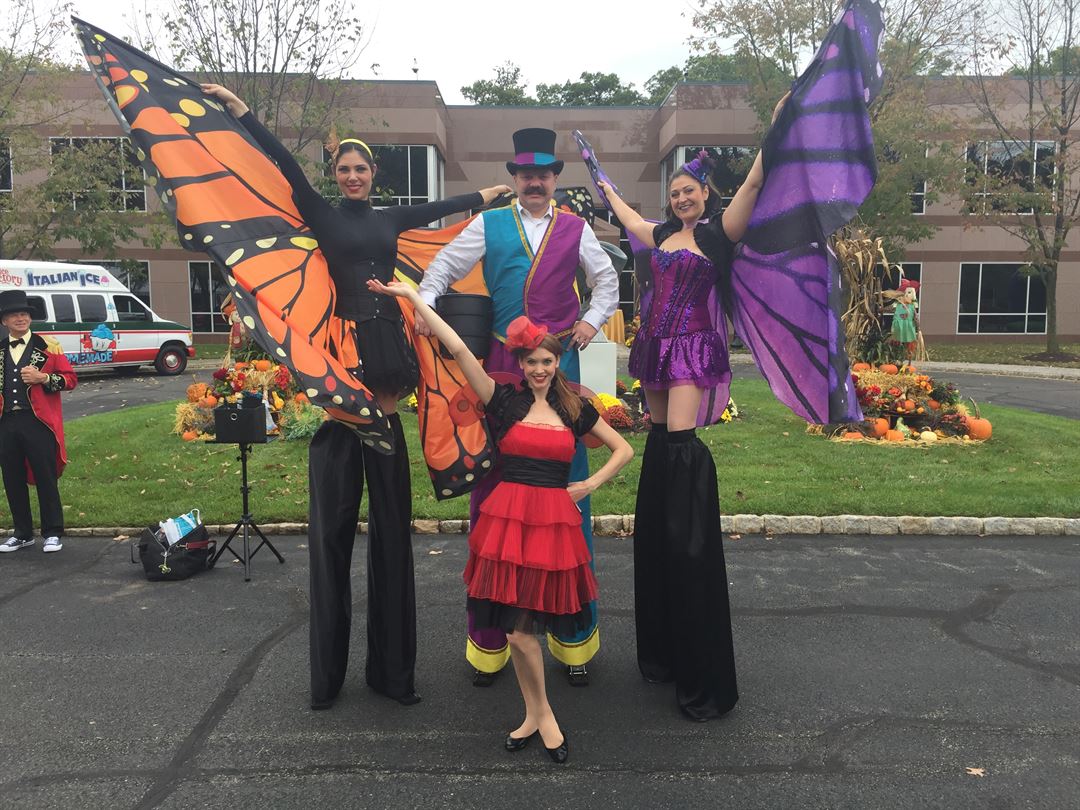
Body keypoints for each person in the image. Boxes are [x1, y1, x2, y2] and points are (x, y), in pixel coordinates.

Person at [201, 84, 512, 710]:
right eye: (343, 169)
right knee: (331, 542)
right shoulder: (322, 212)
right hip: (341, 364)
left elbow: (440, 208)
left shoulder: (388, 218)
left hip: (388, 356)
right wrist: (241, 111)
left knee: (393, 541)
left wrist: (488, 195)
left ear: (373, 175)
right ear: (336, 174)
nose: (351, 176)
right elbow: (282, 165)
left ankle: (393, 676)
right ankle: (327, 680)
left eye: (360, 169)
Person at [371, 276, 632, 763]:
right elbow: (456, 347)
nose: (539, 369)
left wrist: (588, 485)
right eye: (531, 362)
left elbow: (623, 449)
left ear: (557, 363)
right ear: (521, 364)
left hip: (552, 528)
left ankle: (538, 715)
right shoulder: (504, 400)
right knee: (516, 631)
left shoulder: (575, 407)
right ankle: (541, 715)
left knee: (525, 629)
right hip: (508, 526)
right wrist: (412, 298)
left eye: (547, 361)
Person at [597, 94, 788, 721]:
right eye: (675, 193)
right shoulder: (660, 234)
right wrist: (600, 179)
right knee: (659, 440)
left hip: (692, 349)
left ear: (705, 195)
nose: (681, 199)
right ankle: (662, 524)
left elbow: (755, 183)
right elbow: (627, 215)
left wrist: (776, 128)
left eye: (689, 191)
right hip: (654, 345)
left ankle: (684, 528)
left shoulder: (717, 233)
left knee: (680, 444)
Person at [415, 127, 620, 687]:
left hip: (561, 372)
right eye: (526, 175)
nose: (534, 182)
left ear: (554, 179)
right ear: (515, 178)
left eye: (543, 175)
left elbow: (606, 282)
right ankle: (491, 644)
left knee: (567, 503)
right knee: (494, 502)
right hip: (503, 375)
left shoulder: (576, 228)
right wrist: (425, 309)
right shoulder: (489, 224)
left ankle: (573, 644)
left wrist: (590, 323)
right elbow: (440, 271)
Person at [0, 290, 77, 555]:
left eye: (24, 314)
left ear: (30, 318)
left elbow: (70, 380)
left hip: (38, 422)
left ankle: (52, 532)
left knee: (46, 477)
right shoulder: (0, 349)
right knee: (12, 478)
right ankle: (22, 533)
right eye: (14, 315)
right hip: (6, 422)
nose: (20, 318)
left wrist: (43, 379)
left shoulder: (49, 346)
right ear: (4, 321)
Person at [890, 282, 920, 359]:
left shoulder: (912, 306)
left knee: (909, 345)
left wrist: (918, 326)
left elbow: (915, 317)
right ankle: (896, 358)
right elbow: (890, 309)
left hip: (908, 328)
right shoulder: (897, 305)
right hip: (898, 328)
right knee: (896, 344)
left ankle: (908, 359)